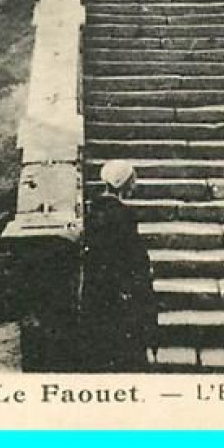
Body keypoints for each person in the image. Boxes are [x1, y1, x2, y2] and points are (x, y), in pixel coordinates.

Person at [78, 159, 157, 371]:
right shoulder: (124, 215)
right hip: (120, 287)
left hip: (97, 286)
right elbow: (133, 255)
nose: (135, 185)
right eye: (132, 180)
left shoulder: (91, 211)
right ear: (125, 184)